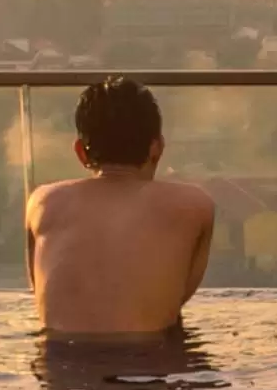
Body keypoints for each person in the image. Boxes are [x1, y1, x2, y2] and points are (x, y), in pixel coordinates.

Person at [25, 79, 220, 340]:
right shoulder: (193, 205)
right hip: (147, 360)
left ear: (81, 152)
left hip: (60, 362)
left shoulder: (42, 203)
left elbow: (37, 288)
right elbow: (172, 302)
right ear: (157, 148)